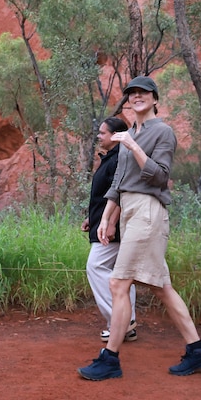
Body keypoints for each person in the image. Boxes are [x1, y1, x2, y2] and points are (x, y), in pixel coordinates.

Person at [77, 76, 201, 381]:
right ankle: (197, 350)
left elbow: (159, 176)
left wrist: (132, 146)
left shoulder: (162, 132)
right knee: (160, 286)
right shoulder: (131, 133)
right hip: (129, 211)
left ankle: (110, 358)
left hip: (148, 211)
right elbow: (118, 183)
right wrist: (107, 218)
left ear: (155, 98)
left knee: (118, 283)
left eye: (143, 92)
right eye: (132, 93)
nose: (136, 96)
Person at [82, 116, 138, 344]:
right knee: (120, 273)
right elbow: (104, 195)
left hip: (113, 228)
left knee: (95, 266)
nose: (99, 136)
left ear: (115, 136)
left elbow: (123, 194)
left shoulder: (119, 160)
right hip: (103, 223)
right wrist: (92, 218)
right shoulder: (112, 158)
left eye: (102, 133)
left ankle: (119, 322)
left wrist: (112, 222)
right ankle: (128, 322)